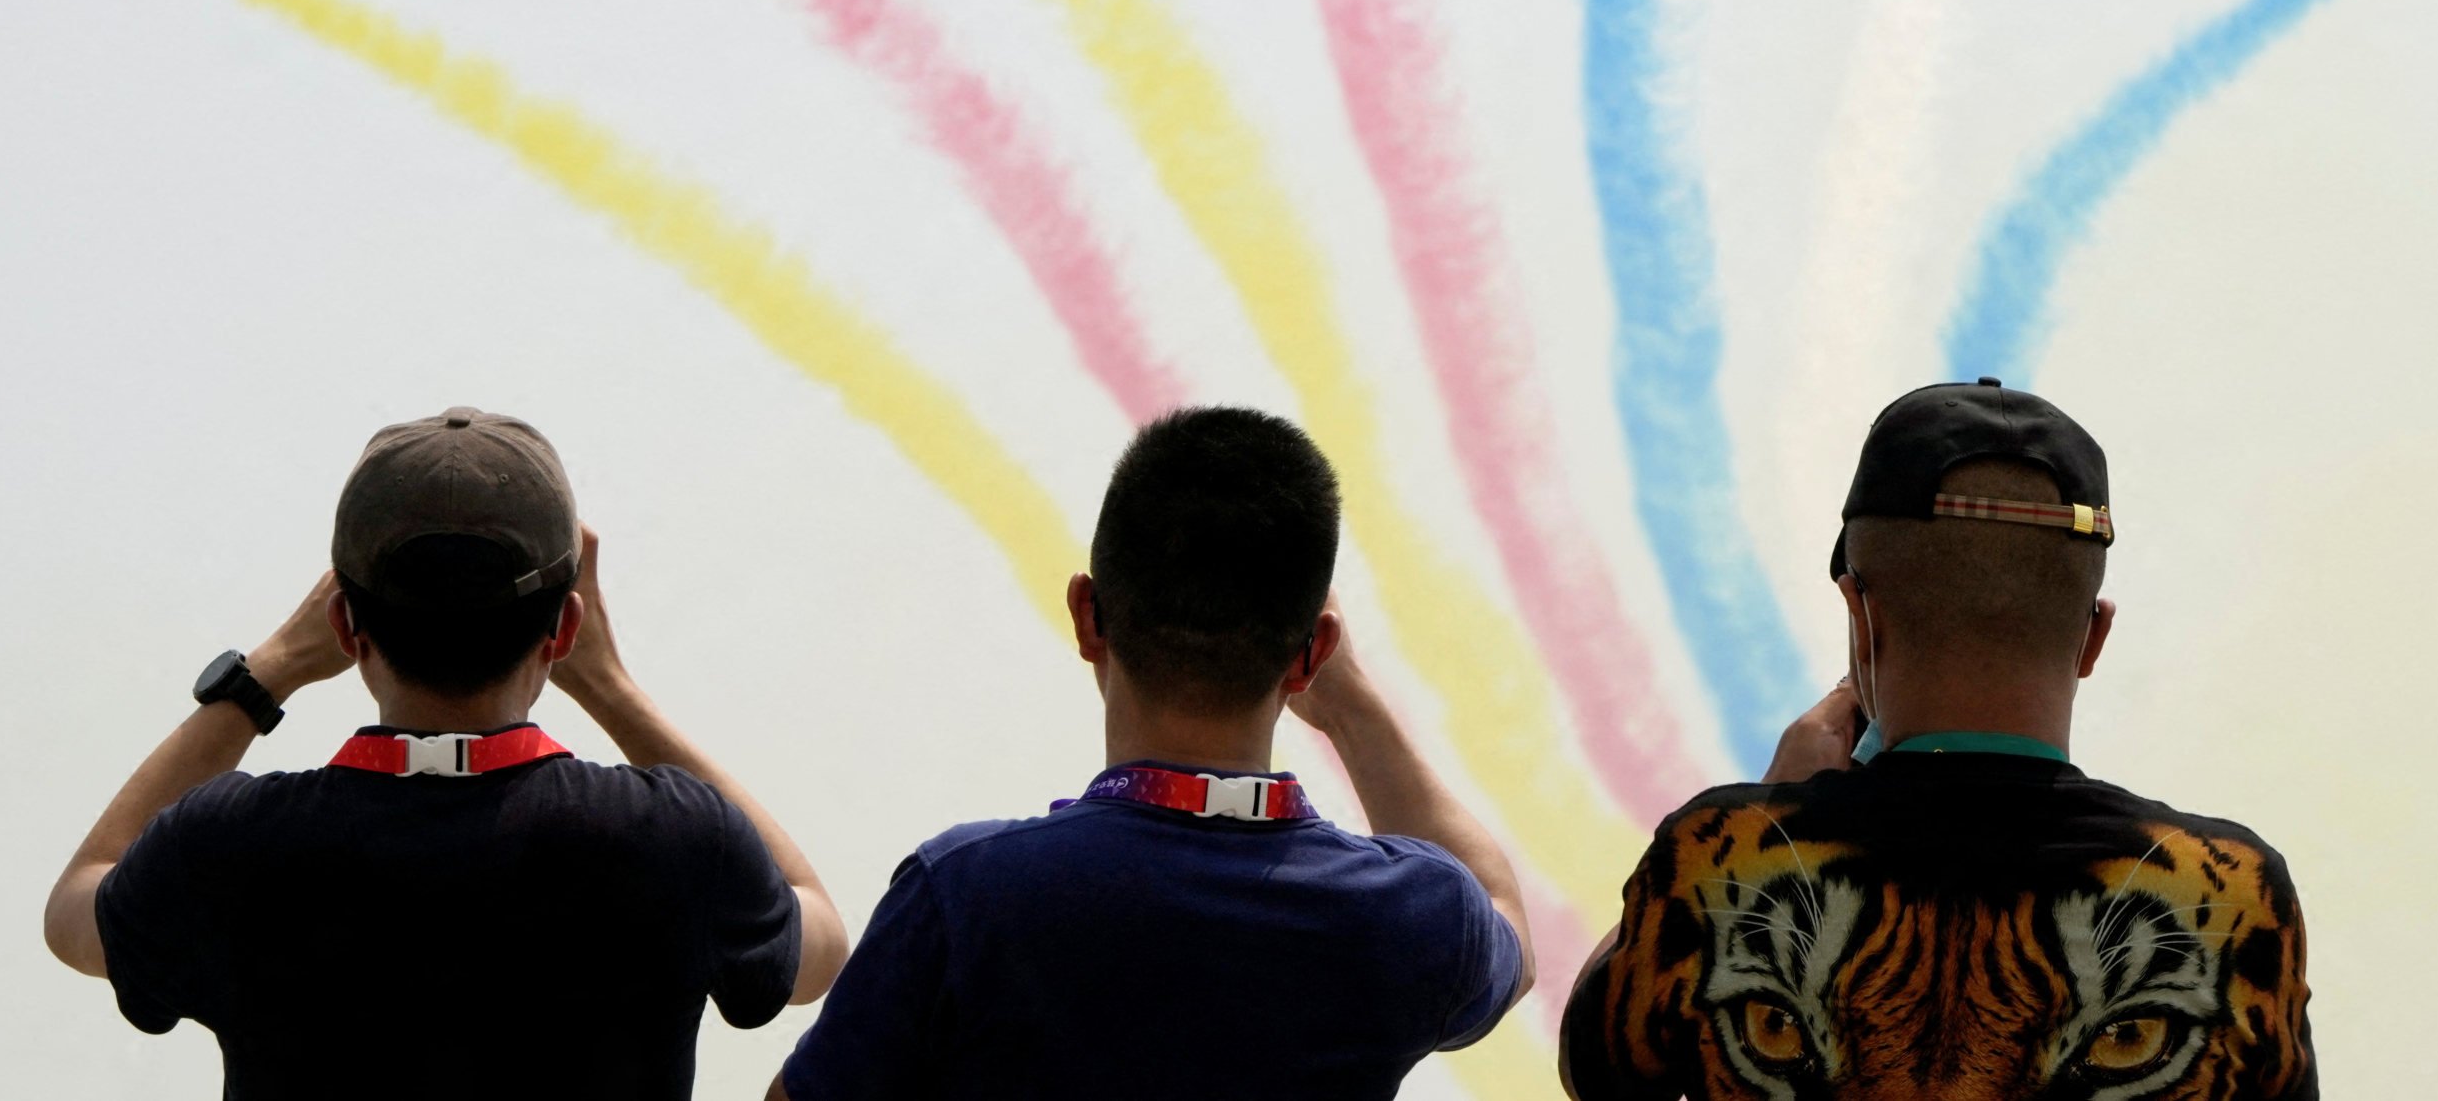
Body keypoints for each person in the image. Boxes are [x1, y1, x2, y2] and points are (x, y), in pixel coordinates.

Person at [43, 405, 849, 1097]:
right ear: (564, 629)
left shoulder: (227, 843)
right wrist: (608, 687)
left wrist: (266, 675)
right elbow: (818, 941)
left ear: (343, 625)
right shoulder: (672, 839)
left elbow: (76, 905)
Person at [1560, 381, 2316, 1099]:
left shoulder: (1715, 860)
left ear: (1862, 617)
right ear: (2093, 638)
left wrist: (1768, 808)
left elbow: (1595, 1071)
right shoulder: (2226, 892)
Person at [775, 406, 1532, 1100]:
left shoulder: (964, 898)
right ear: (1312, 654)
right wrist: (1351, 708)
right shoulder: (1405, 916)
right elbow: (1509, 935)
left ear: (1086, 616)